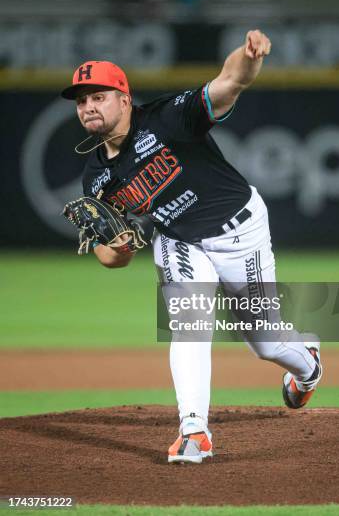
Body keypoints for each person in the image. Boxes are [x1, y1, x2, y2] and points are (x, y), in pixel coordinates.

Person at [61, 30, 323, 464]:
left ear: (124, 99)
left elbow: (229, 82)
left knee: (265, 341)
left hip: (240, 229)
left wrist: (250, 55)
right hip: (180, 241)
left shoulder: (168, 118)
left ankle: (308, 364)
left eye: (99, 96)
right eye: (82, 100)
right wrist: (121, 247)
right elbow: (108, 254)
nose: (89, 106)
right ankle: (194, 432)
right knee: (190, 326)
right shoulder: (96, 178)